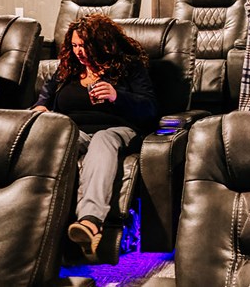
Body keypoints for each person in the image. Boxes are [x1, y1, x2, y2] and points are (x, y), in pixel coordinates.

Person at [33, 13, 158, 257]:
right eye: (75, 45)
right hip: (73, 130)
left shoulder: (128, 67)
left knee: (102, 140)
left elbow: (150, 109)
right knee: (53, 139)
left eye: (85, 46)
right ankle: (37, 222)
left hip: (116, 130)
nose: (79, 52)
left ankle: (90, 223)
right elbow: (42, 103)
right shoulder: (66, 70)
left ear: (103, 44)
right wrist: (40, 112)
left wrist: (116, 96)